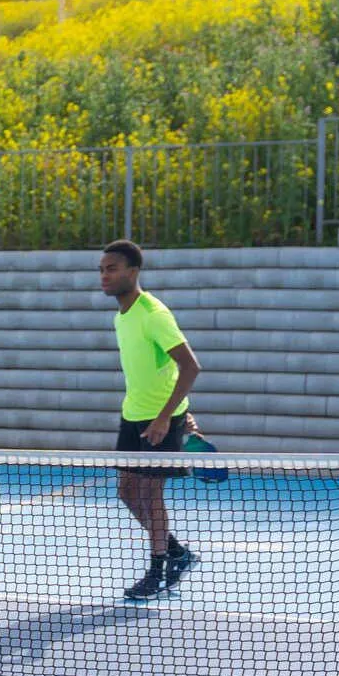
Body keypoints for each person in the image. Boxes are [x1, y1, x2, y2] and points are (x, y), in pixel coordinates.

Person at [99, 239, 203, 601]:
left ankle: (157, 570)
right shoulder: (121, 316)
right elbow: (158, 371)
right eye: (101, 270)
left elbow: (190, 366)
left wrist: (169, 418)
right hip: (133, 415)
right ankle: (176, 553)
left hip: (160, 421)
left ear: (133, 271)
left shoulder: (153, 314)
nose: (104, 276)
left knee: (150, 493)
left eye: (112, 269)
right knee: (127, 491)